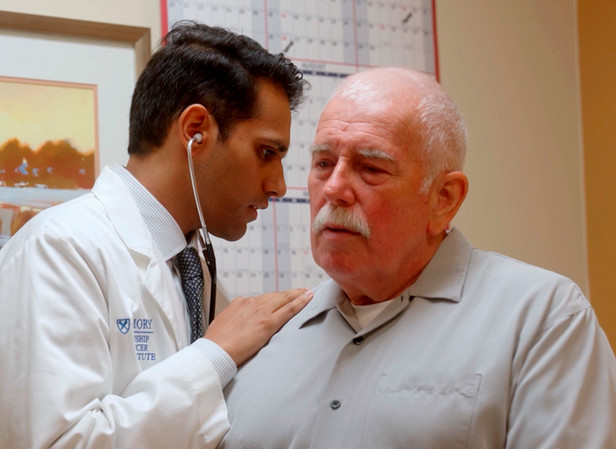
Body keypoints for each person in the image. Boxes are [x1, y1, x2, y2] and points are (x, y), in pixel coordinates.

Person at [219, 67, 616, 448]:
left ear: (444, 199)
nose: (334, 188)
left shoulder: (542, 319)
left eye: (370, 168)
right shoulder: (266, 334)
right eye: (323, 163)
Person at [0, 22, 312, 449]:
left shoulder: (193, 268)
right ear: (195, 130)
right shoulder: (57, 251)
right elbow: (59, 443)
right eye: (267, 153)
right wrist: (213, 357)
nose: (278, 186)